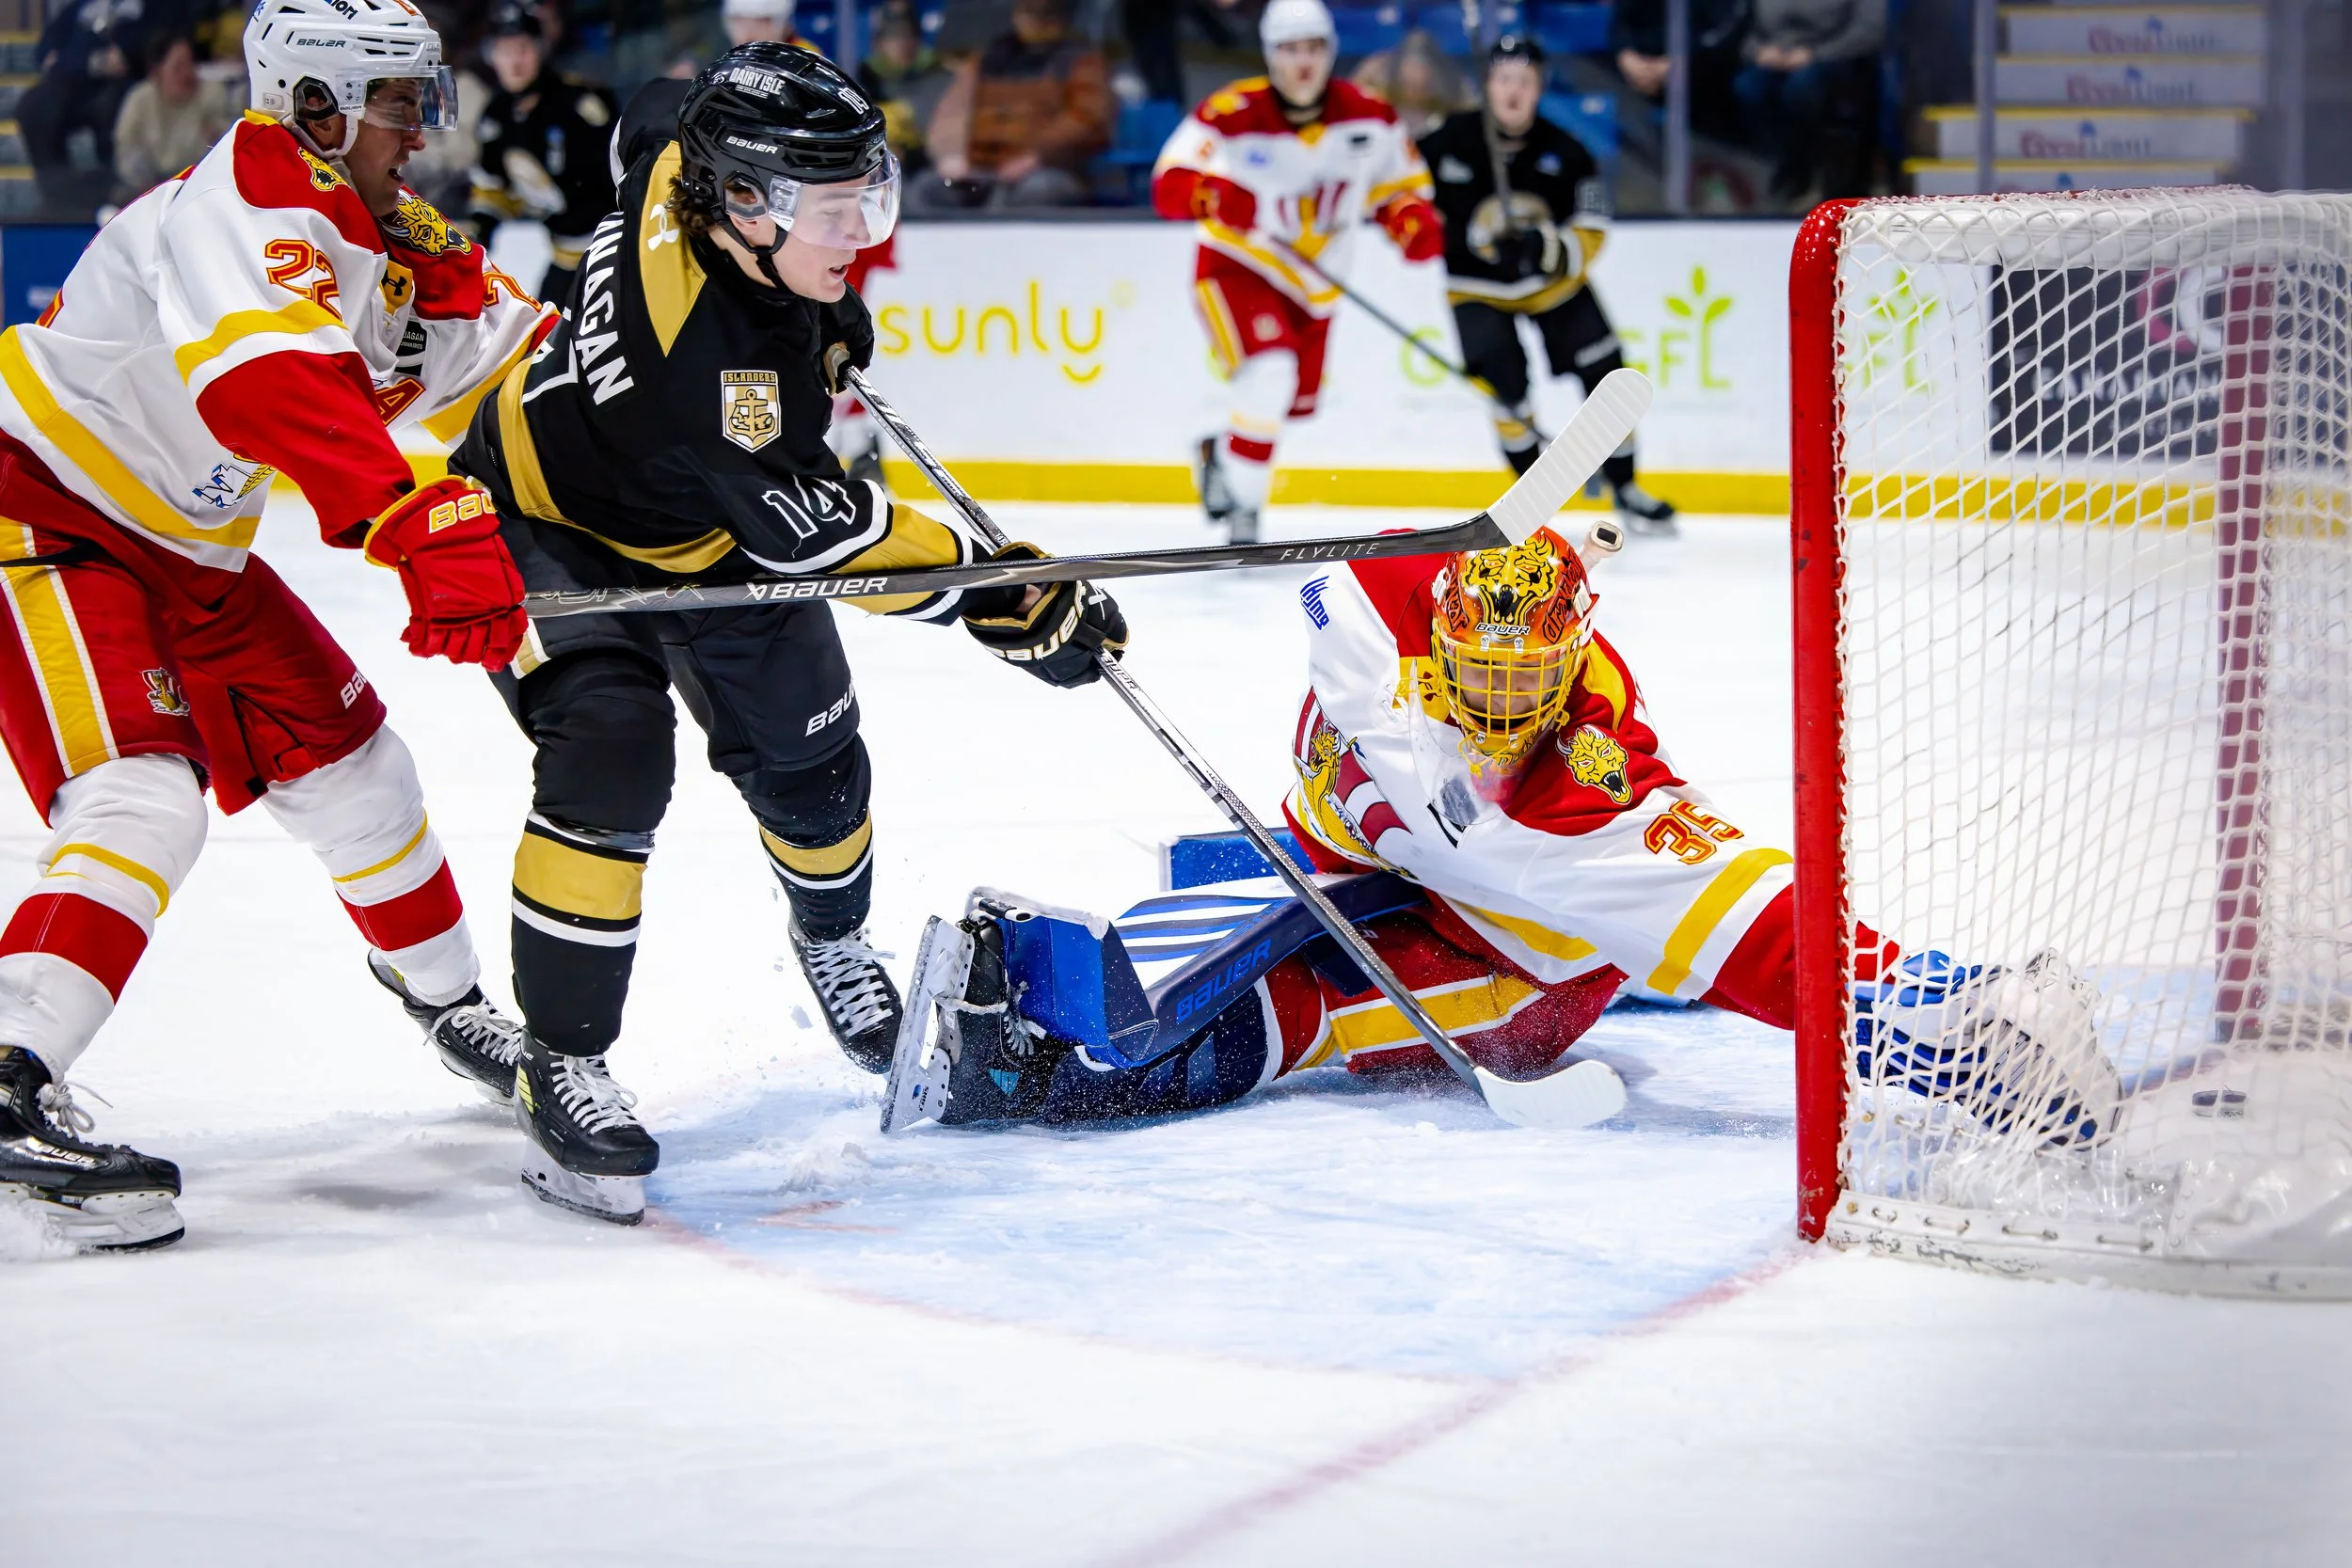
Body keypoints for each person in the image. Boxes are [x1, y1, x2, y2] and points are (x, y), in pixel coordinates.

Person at [447, 43, 1129, 1225]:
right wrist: (1002, 592)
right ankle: (561, 1058)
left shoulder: (676, 150)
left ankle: (830, 936)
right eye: (834, 208)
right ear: (746, 204)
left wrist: (822, 311)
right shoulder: (704, 375)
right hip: (544, 520)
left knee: (814, 762)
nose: (861, 228)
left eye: (869, 191)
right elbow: (825, 542)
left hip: (697, 522)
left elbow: (657, 105)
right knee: (609, 753)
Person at [887, 529, 2122, 1158]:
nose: (1501, 695)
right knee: (1283, 914)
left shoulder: (1581, 807)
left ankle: (1033, 1078)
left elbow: (1768, 925)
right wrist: (1406, 773)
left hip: (1520, 961)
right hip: (1372, 861)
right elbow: (1325, 587)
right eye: (1477, 666)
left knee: (1301, 1009)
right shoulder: (1402, 605)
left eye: (1530, 674)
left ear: (1574, 657)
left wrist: (1956, 1034)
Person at [0, 0, 557, 1252]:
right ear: (315, 104)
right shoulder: (242, 195)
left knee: (364, 771)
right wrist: (416, 522)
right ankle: (8, 1069)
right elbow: (268, 382)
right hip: (45, 508)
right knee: (142, 797)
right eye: (403, 102)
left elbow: (525, 368)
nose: (424, 129)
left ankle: (454, 1006)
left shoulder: (388, 233)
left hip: (192, 550)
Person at [1151, 0, 1444, 544]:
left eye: (1313, 49)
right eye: (1289, 50)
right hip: (1240, 265)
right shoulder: (1230, 113)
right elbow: (1169, 183)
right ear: (1269, 55)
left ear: (1330, 52)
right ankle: (1244, 515)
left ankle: (1223, 456)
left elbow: (1400, 187)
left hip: (1317, 284)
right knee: (1269, 377)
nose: (1302, 63)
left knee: (1287, 401)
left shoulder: (1370, 116)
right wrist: (1212, 193)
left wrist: (1409, 221)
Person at [1420, 37, 1676, 534]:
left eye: (1525, 82)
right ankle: (1529, 500)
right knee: (1507, 393)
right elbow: (1401, 189)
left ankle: (1626, 485)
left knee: (1606, 378)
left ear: (1539, 89)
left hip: (1554, 286)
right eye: (1504, 81)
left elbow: (1594, 228)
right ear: (1488, 85)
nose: (1513, 92)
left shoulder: (1569, 150)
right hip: (1477, 289)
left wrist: (1546, 248)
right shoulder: (1446, 140)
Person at [468, 0, 619, 307]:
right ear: (491, 56)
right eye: (504, 50)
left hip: (619, 252)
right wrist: (474, 239)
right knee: (546, 337)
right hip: (565, 254)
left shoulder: (581, 105)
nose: (515, 61)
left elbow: (621, 179)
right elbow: (493, 188)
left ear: (540, 50)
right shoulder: (496, 116)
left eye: (523, 48)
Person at [917, 0, 1111, 210]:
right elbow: (952, 112)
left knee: (1042, 190)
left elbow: (1088, 119)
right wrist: (951, 155)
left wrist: (1038, 156)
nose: (1034, 20)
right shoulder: (986, 60)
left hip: (1046, 169)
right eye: (1027, 12)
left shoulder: (1082, 62)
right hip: (977, 171)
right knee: (927, 188)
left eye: (1042, 13)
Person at [19, 0, 177, 212]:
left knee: (112, 107)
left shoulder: (155, 8)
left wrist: (66, 61)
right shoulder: (80, 7)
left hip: (125, 86)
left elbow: (134, 54)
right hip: (72, 84)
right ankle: (57, 198)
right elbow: (44, 52)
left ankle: (117, 196)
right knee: (34, 105)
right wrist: (92, 63)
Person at [1733, 0, 1883, 202]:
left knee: (1801, 89)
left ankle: (1807, 173)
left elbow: (1869, 32)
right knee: (1748, 88)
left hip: (1835, 57)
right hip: (1775, 59)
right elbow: (1745, 30)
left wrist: (1816, 55)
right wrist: (1758, 51)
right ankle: (1773, 171)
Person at [110, 31, 236, 198]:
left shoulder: (212, 95)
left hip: (201, 190)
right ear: (156, 73)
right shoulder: (139, 100)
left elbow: (228, 150)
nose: (188, 73)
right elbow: (126, 150)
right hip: (150, 191)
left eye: (191, 63)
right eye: (178, 67)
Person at [1350, 27, 1473, 137]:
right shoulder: (1374, 74)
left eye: (1421, 65)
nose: (1416, 73)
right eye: (1412, 65)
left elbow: (1471, 120)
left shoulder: (1454, 84)